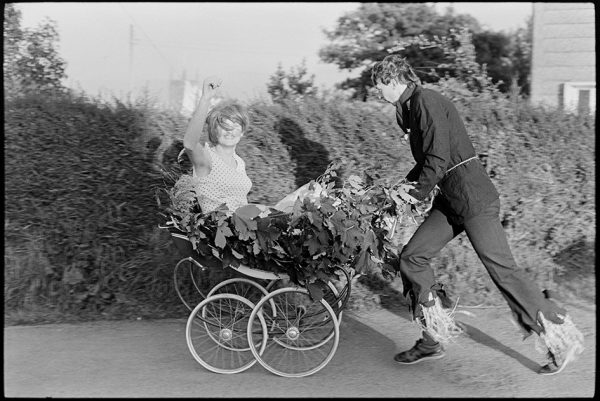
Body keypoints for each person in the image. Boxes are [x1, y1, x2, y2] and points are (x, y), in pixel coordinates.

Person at [371, 54, 584, 375]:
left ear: (392, 80)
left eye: (379, 86)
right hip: (452, 199)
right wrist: (400, 189)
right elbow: (429, 160)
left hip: (473, 197)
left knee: (503, 271)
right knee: (412, 258)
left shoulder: (424, 100)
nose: (377, 93)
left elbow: (438, 158)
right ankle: (432, 337)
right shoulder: (411, 107)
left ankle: (559, 336)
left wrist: (413, 195)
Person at [182, 76, 324, 215]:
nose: (230, 131)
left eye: (236, 126)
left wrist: (265, 209)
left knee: (314, 191)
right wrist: (206, 98)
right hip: (223, 228)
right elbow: (189, 143)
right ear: (214, 130)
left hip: (248, 223)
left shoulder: (239, 163)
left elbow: (240, 203)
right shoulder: (207, 158)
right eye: (224, 126)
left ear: (242, 132)